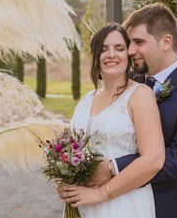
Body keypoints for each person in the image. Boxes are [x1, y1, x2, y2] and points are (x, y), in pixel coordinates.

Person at [60, 3, 177, 218]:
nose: (130, 50)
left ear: (166, 42)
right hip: (114, 201)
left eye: (138, 42)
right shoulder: (129, 82)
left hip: (171, 205)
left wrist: (112, 167)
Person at [60, 22, 165, 217]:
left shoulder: (140, 95)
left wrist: (101, 193)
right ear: (95, 55)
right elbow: (70, 151)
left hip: (124, 204)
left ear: (128, 55)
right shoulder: (85, 100)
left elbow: (154, 160)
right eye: (104, 49)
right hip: (84, 205)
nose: (111, 55)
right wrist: (63, 181)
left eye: (119, 48)